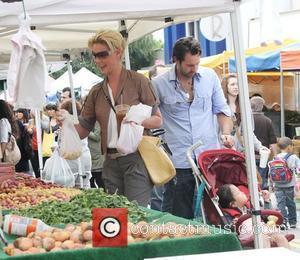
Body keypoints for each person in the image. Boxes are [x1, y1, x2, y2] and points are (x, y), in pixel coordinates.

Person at [58, 29, 162, 206]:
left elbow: (158, 119)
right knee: (117, 217)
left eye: (102, 55)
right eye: (95, 56)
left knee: (136, 214)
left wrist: (136, 119)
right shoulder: (96, 91)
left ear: (118, 52)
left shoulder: (138, 81)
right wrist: (67, 123)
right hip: (110, 163)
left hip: (136, 158)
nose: (98, 60)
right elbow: (83, 130)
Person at [152, 37, 233, 219]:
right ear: (175, 60)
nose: (194, 69)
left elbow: (222, 110)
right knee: (178, 214)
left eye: (197, 63)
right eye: (189, 65)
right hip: (178, 160)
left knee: (214, 210)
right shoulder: (158, 84)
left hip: (208, 157)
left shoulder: (210, 76)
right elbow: (152, 119)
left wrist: (226, 133)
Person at [217, 184, 290, 248]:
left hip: (261, 230)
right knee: (262, 237)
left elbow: (267, 216)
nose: (242, 192)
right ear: (233, 204)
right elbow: (228, 228)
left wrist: (267, 200)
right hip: (249, 235)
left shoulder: (251, 206)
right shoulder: (229, 215)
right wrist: (234, 224)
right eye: (238, 192)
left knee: (280, 237)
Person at [222, 74, 263, 153]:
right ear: (226, 87)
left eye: (238, 84)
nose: (236, 87)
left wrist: (259, 147)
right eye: (232, 84)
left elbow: (249, 132)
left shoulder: (245, 107)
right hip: (223, 152)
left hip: (240, 153)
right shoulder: (220, 107)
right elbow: (216, 132)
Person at [60, 100, 92, 189]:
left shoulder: (69, 123)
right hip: (85, 157)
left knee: (71, 188)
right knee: (85, 186)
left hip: (72, 159)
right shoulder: (82, 122)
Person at [271, 137, 299, 229]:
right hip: (289, 185)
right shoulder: (293, 157)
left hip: (278, 185)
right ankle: (292, 222)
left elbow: (271, 172)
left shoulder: (276, 157)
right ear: (289, 147)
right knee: (290, 203)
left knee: (281, 204)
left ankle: (283, 222)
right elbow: (298, 169)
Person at [250, 96, 277, 190]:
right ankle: (263, 197)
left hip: (249, 155)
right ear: (262, 106)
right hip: (264, 155)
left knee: (250, 178)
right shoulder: (267, 121)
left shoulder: (246, 120)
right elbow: (273, 141)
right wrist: (275, 156)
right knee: (262, 179)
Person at [88, 121, 105, 188]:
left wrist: (84, 131)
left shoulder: (97, 122)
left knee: (99, 180)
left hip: (96, 155)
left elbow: (97, 137)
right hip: (89, 155)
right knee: (90, 181)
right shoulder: (84, 121)